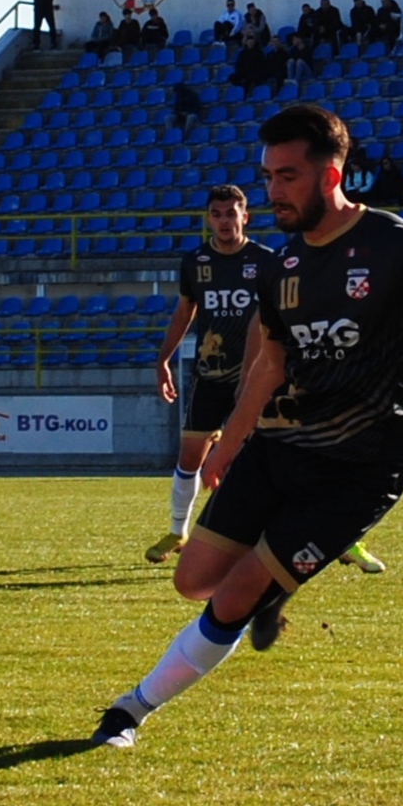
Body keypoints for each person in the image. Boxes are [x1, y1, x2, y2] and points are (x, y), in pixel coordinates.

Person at [91, 103, 403, 749]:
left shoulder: (396, 244)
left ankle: (126, 712)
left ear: (329, 177)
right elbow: (266, 365)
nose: (271, 191)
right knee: (192, 581)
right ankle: (275, 585)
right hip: (279, 447)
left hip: (358, 470)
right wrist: (227, 445)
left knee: (234, 595)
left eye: (286, 177)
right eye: (266, 176)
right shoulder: (281, 268)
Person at [142, 184, 279, 566]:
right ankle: (177, 530)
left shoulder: (265, 261)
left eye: (230, 214)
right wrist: (163, 359)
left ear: (245, 216)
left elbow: (271, 320)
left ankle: (261, 536)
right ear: (208, 219)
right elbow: (184, 312)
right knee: (189, 457)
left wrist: (257, 373)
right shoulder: (195, 262)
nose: (224, 221)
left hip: (254, 379)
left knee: (259, 459)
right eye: (216, 214)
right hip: (210, 375)